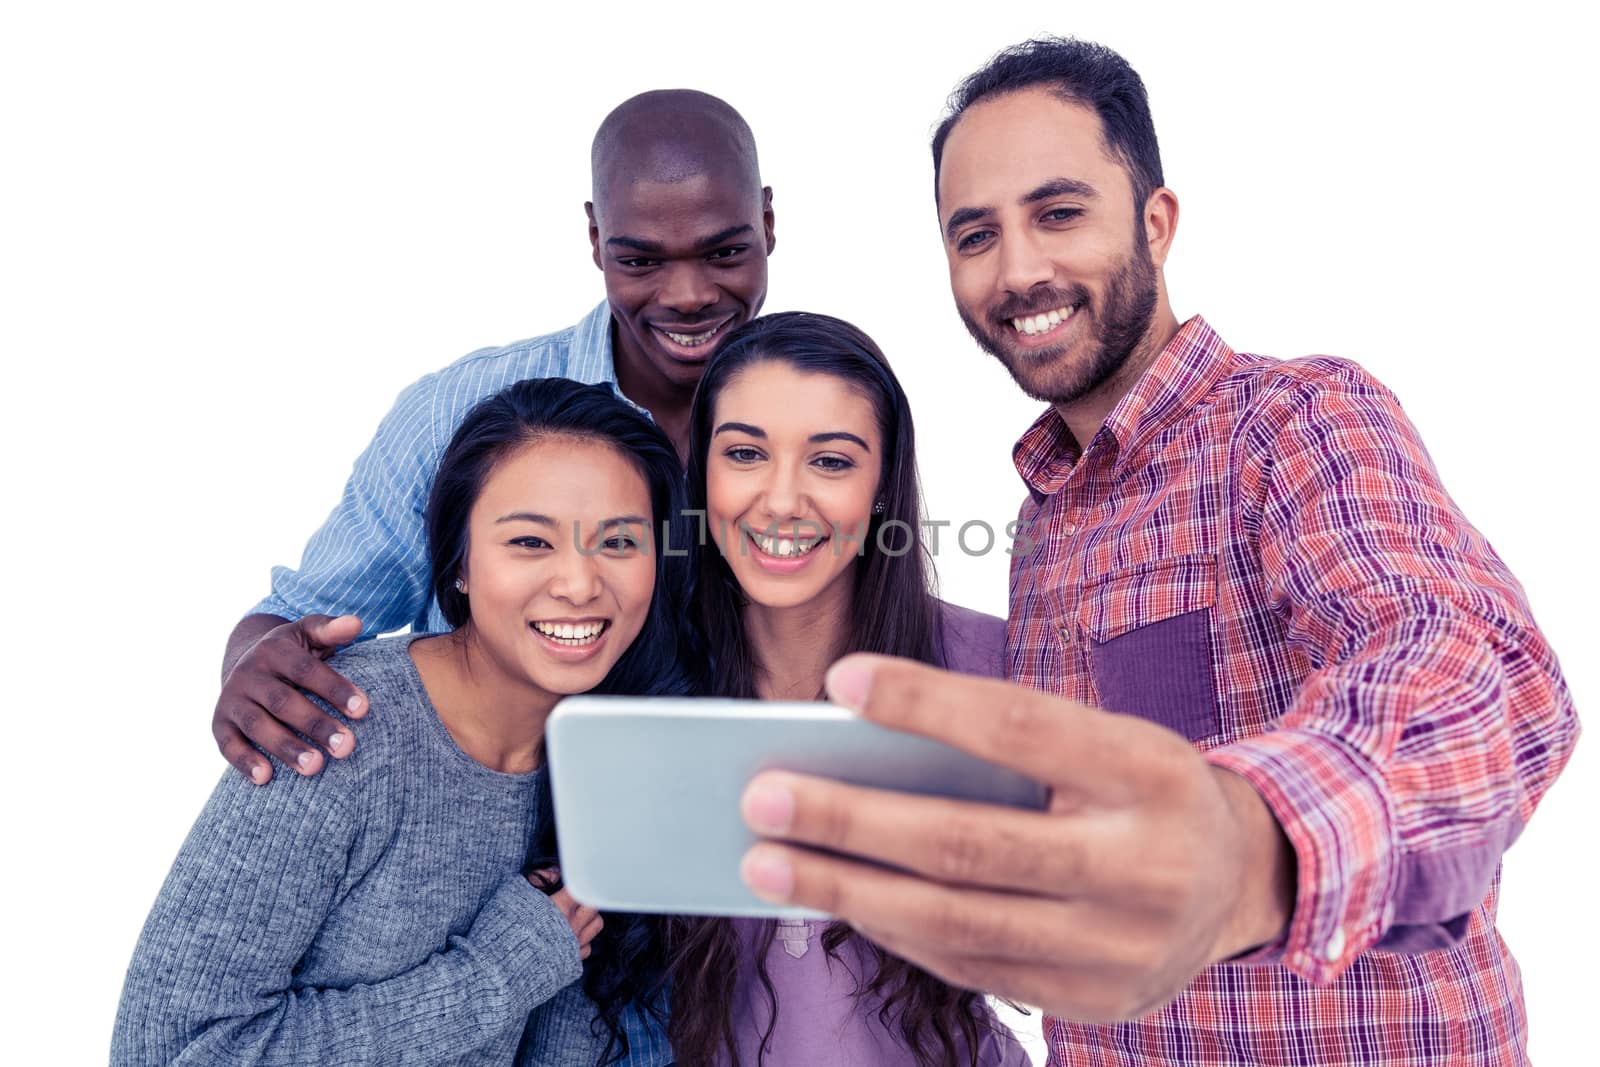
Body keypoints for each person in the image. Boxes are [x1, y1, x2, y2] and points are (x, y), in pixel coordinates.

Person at [732, 37, 1580, 1065]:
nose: (1019, 269)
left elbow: (1474, 670)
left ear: (1155, 222)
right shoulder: (1041, 529)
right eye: (975, 235)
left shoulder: (1297, 419)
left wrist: (1253, 840)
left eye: (1058, 213)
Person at [114, 378, 695, 1065]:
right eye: (531, 542)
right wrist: (492, 975)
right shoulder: (337, 724)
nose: (578, 582)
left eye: (620, 542)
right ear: (459, 565)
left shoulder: (606, 755)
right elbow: (175, 1050)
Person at [210, 87, 775, 790]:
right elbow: (297, 623)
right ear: (596, 239)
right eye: (640, 261)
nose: (688, 293)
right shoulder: (456, 412)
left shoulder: (826, 424)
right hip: (485, 857)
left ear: (769, 224)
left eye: (723, 251)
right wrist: (253, 666)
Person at [665, 312, 1028, 1066]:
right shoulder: (649, 682)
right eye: (744, 454)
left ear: (881, 487)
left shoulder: (991, 666)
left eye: (831, 462)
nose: (782, 500)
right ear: (701, 470)